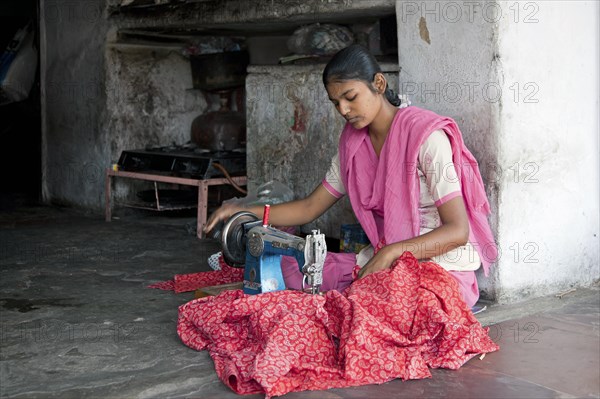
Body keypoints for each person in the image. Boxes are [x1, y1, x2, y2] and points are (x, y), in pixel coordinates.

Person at [204, 44, 497, 308]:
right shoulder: (354, 146)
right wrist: (244, 208)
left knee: (373, 309)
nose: (343, 110)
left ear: (378, 84)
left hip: (439, 269)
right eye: (335, 102)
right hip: (387, 260)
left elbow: (457, 231)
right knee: (288, 272)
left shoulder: (426, 137)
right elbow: (309, 207)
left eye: (350, 97)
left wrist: (391, 253)